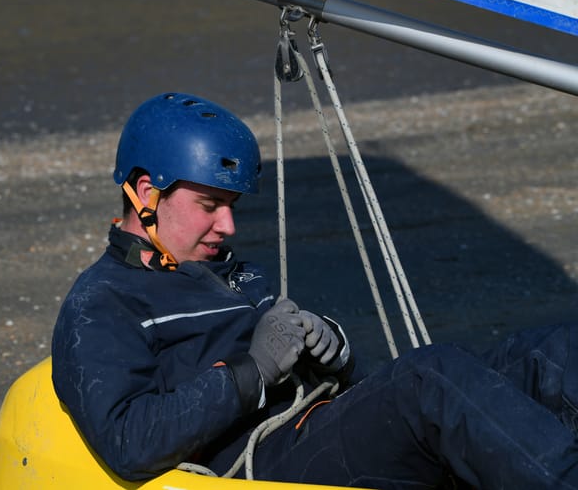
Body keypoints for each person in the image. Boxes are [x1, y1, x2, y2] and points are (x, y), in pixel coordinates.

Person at [51, 91, 578, 489]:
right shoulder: (102, 304)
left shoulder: (233, 272)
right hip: (265, 467)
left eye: (232, 207)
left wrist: (336, 348)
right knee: (429, 376)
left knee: (549, 352)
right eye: (210, 206)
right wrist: (253, 371)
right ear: (147, 193)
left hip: (317, 424)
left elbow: (345, 386)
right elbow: (128, 441)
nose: (228, 227)